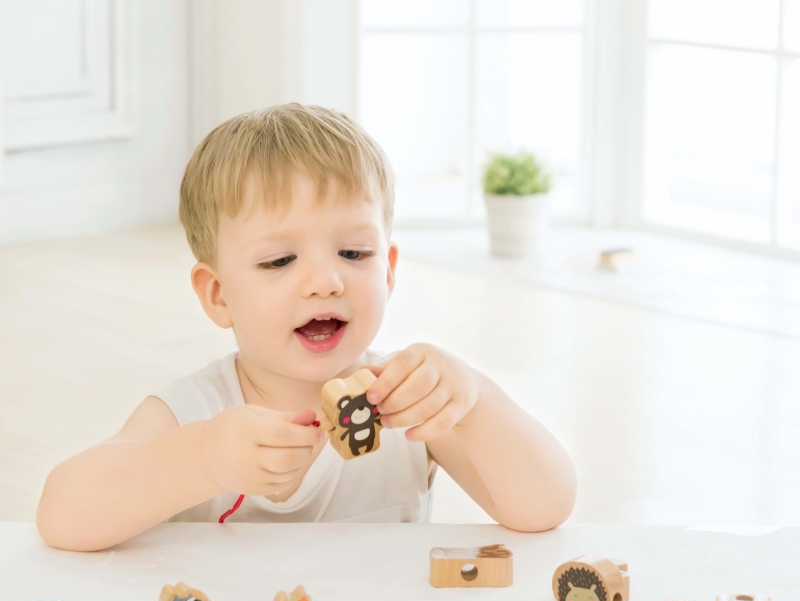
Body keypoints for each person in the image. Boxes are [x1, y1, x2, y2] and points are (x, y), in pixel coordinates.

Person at [37, 104, 576, 551]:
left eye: (354, 252)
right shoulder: (194, 411)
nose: (325, 282)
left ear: (388, 272)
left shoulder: (407, 405)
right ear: (218, 294)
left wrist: (474, 399)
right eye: (279, 260)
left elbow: (545, 507)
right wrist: (201, 457)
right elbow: (62, 517)